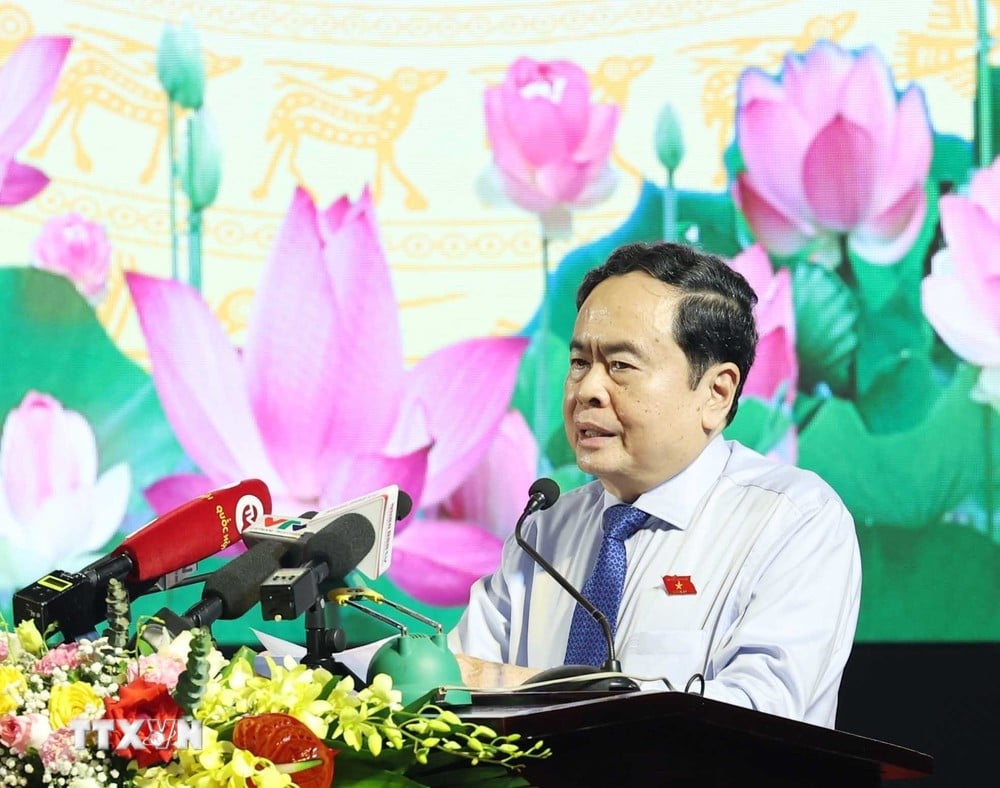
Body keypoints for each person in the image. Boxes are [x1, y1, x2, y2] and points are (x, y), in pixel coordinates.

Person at [448, 241, 861, 728]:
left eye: (620, 366)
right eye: (580, 362)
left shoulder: (794, 519)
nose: (587, 390)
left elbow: (759, 714)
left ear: (716, 392)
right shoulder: (544, 530)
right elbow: (459, 682)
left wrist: (582, 701)